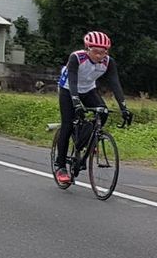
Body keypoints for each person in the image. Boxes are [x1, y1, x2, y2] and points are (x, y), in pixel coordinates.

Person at [54, 30, 132, 185]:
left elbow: (115, 84)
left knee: (103, 112)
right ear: (87, 48)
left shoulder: (108, 62)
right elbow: (73, 81)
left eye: (103, 52)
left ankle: (89, 139)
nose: (99, 56)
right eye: (95, 51)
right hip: (68, 89)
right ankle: (60, 166)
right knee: (67, 125)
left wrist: (124, 108)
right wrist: (76, 102)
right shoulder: (77, 58)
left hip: (88, 89)